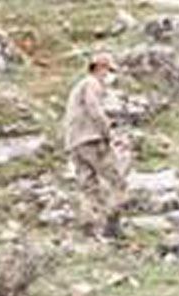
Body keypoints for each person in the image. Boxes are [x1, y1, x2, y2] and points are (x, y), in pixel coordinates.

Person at [62, 52, 125, 240]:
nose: (110, 76)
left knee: (88, 186)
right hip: (92, 140)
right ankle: (112, 227)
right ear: (100, 68)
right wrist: (108, 132)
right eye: (109, 71)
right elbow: (94, 108)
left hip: (74, 143)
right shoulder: (92, 83)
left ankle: (88, 228)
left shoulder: (77, 87)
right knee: (116, 180)